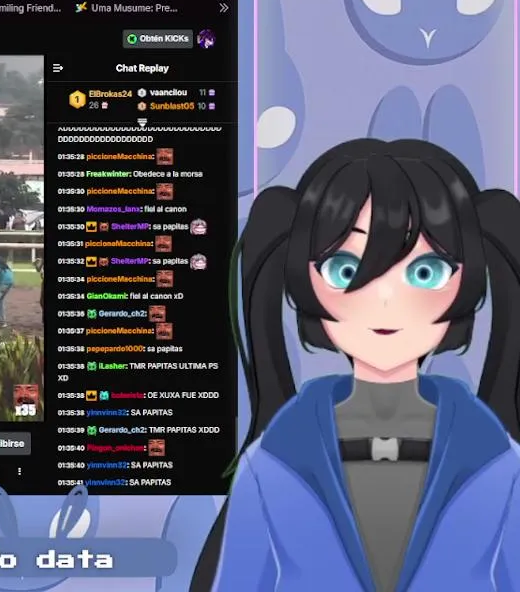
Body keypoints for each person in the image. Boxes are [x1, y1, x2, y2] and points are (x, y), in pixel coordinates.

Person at [192, 139, 520, 592]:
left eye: (425, 272)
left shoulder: (499, 463)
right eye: (345, 270)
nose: (384, 301)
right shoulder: (270, 464)